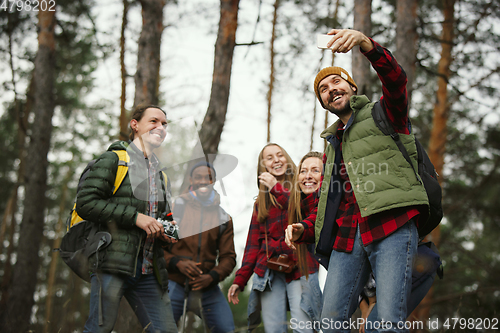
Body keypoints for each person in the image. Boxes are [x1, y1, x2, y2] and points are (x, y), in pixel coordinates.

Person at [287, 28, 429, 333]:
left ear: (351, 87)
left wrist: (366, 44)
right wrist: (304, 229)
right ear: (323, 102)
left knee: (389, 321)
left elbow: (397, 80)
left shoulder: (384, 113)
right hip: (348, 237)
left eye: (336, 81)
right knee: (330, 322)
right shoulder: (332, 145)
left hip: (391, 224)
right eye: (323, 89)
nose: (330, 89)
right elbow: (331, 203)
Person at [76, 105, 177, 333]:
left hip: (150, 271)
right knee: (99, 329)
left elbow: (165, 218)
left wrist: (168, 232)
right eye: (153, 121)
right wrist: (135, 217)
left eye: (164, 124)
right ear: (135, 124)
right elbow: (86, 203)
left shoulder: (161, 176)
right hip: (112, 264)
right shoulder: (113, 160)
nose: (160, 127)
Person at [227, 143, 321, 333]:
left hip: (300, 266)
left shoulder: (304, 186)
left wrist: (276, 187)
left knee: (304, 326)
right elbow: (253, 244)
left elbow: (303, 212)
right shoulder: (260, 203)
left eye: (280, 155)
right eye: (269, 158)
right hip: (269, 271)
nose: (276, 160)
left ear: (287, 159)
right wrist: (240, 279)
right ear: (263, 167)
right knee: (274, 329)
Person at [164, 161, 237, 333]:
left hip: (207, 286)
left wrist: (212, 276)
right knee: (162, 329)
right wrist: (176, 263)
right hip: (174, 282)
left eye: (208, 177)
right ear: (191, 179)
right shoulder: (175, 208)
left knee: (226, 329)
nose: (203, 181)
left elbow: (229, 257)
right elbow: (157, 248)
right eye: (198, 177)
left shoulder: (224, 218)